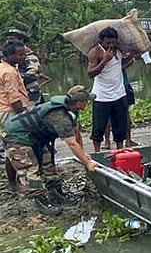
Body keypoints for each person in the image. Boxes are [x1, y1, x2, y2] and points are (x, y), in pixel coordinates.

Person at [4, 86, 97, 215]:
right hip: (17, 138)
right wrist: (87, 163)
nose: (87, 103)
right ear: (79, 103)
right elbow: (71, 143)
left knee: (48, 164)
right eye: (86, 101)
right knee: (31, 169)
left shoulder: (70, 110)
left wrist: (84, 156)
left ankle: (56, 193)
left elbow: (75, 134)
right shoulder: (59, 116)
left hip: (35, 138)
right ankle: (41, 200)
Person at [87, 27, 129, 153]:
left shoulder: (119, 51)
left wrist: (132, 57)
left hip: (119, 94)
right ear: (102, 41)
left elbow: (119, 65)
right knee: (99, 126)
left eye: (113, 42)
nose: (111, 45)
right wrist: (104, 61)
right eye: (108, 43)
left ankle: (120, 151)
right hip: (102, 96)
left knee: (120, 126)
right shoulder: (96, 52)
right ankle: (97, 153)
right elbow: (90, 73)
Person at [0, 41, 30, 188]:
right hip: (11, 112)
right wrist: (24, 116)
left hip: (5, 111)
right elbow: (14, 98)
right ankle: (17, 182)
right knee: (16, 147)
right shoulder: (10, 72)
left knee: (9, 149)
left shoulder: (7, 68)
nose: (23, 57)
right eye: (20, 54)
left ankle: (13, 182)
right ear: (9, 55)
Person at [5, 29, 46, 103]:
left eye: (12, 39)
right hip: (14, 94)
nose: (9, 42)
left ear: (21, 40)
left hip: (30, 94)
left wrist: (13, 78)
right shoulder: (7, 54)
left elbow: (32, 74)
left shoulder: (30, 56)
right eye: (7, 39)